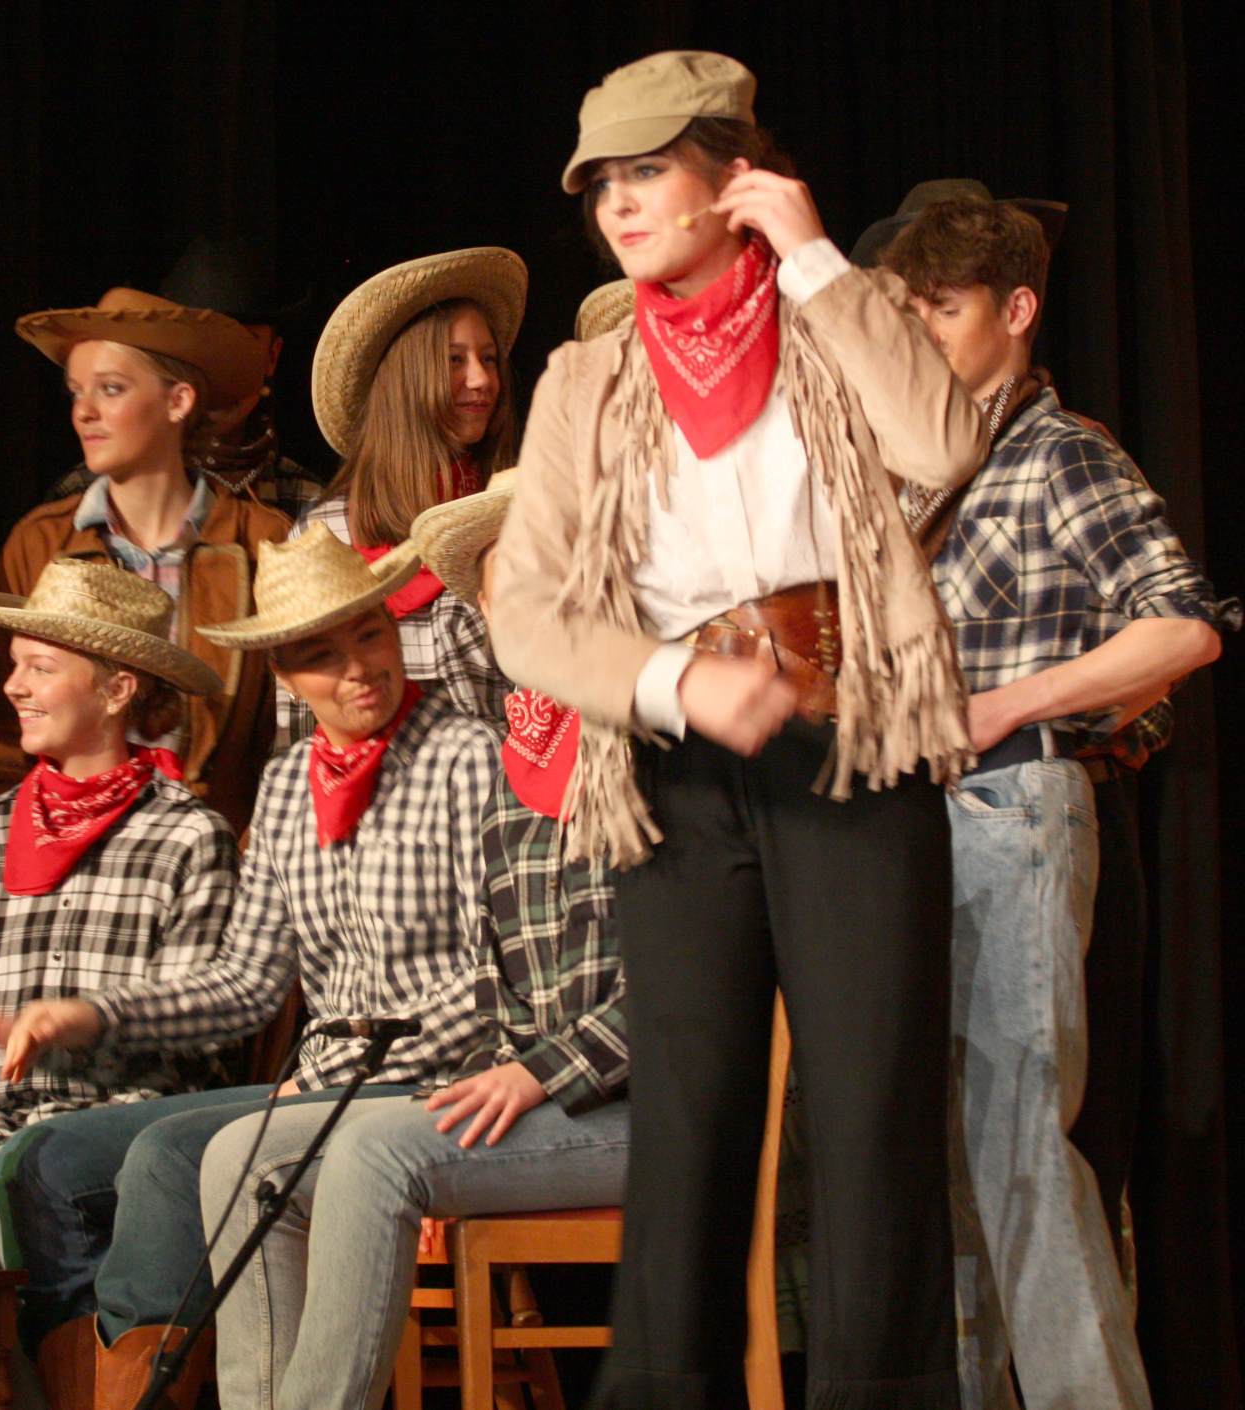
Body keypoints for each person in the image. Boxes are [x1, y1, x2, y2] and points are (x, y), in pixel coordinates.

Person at [488, 50, 989, 1407]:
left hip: (846, 743)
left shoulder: (839, 320)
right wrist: (670, 682)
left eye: (650, 170)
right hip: (675, 762)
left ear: (736, 176)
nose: (618, 203)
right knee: (691, 1121)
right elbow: (524, 607)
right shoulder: (588, 378)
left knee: (870, 1117)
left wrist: (815, 257)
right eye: (602, 181)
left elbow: (944, 445)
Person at [0, 526, 498, 1409]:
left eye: (370, 635)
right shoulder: (290, 785)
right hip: (326, 1086)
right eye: (322, 656)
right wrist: (95, 1013)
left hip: (439, 1081)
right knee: (51, 1160)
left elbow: (497, 974)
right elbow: (248, 980)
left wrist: (351, 1073)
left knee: (171, 1155)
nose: (360, 669)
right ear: (285, 674)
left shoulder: (467, 759)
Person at [878, 189, 1229, 1410]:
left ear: (1017, 310)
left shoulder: (1058, 451)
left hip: (1014, 807)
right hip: (922, 826)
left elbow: (1183, 627)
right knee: (950, 1170)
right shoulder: (927, 473)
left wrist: (1004, 705)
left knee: (1019, 1144)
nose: (924, 332)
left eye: (946, 308)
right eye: (912, 311)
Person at [198, 466, 632, 1410]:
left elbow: (701, 983)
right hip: (539, 1098)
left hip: (651, 1102)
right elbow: (501, 977)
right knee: (239, 1155)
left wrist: (534, 1072)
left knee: (374, 1155)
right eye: (500, 589)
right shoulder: (526, 756)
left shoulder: (643, 738)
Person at [0, 560, 237, 1409]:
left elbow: (201, 1028)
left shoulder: (187, 839)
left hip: (120, 1136)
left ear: (116, 689)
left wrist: (79, 1021)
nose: (14, 687)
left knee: (35, 1174)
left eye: (40, 667)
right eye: (15, 665)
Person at [0, 288, 290, 834]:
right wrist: (26, 845)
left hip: (219, 852)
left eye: (111, 389)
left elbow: (289, 732)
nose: (84, 411)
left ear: (179, 401)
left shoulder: (259, 542)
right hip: (66, 853)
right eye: (76, 391)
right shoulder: (41, 544)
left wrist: (242, 858)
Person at [277, 247, 525, 742]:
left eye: (488, 359)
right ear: (406, 379)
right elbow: (303, 728)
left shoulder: (515, 514)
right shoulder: (328, 533)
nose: (482, 380)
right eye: (454, 360)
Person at [43, 234, 326, 520]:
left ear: (272, 356)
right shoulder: (81, 495)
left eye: (240, 347)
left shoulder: (309, 502)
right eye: (202, 347)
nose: (215, 368)